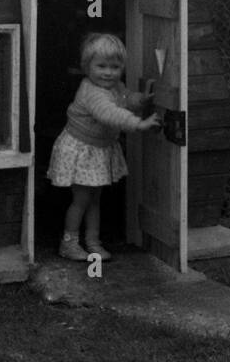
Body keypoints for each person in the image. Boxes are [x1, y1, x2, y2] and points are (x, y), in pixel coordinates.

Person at [47, 32, 160, 260]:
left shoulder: (114, 86)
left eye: (115, 67)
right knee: (81, 200)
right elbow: (110, 113)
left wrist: (140, 100)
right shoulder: (91, 92)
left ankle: (92, 241)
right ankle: (68, 243)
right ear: (86, 67)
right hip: (80, 149)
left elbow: (125, 98)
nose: (108, 72)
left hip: (97, 149)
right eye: (101, 66)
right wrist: (139, 124)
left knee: (94, 199)